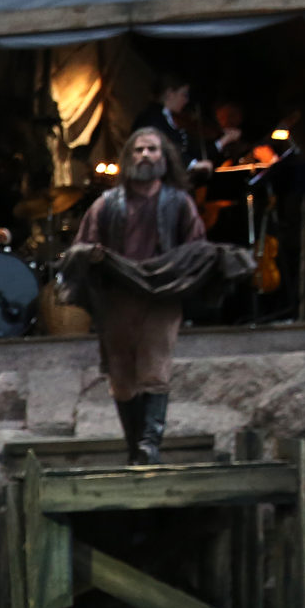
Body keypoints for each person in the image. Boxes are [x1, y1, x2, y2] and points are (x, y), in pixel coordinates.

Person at [60, 128, 224, 465]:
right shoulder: (107, 204)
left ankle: (150, 445)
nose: (145, 155)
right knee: (121, 378)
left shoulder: (178, 202)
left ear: (164, 158)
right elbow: (80, 248)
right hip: (118, 299)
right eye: (138, 150)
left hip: (161, 297)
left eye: (152, 149)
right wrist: (94, 256)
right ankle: (135, 448)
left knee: (155, 369)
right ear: (128, 158)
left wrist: (178, 270)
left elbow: (196, 246)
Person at [132, 77, 213, 175]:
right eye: (184, 94)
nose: (186, 100)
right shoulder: (151, 117)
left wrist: (221, 143)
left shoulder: (166, 117)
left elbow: (185, 150)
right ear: (170, 93)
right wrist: (191, 164)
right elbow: (162, 146)